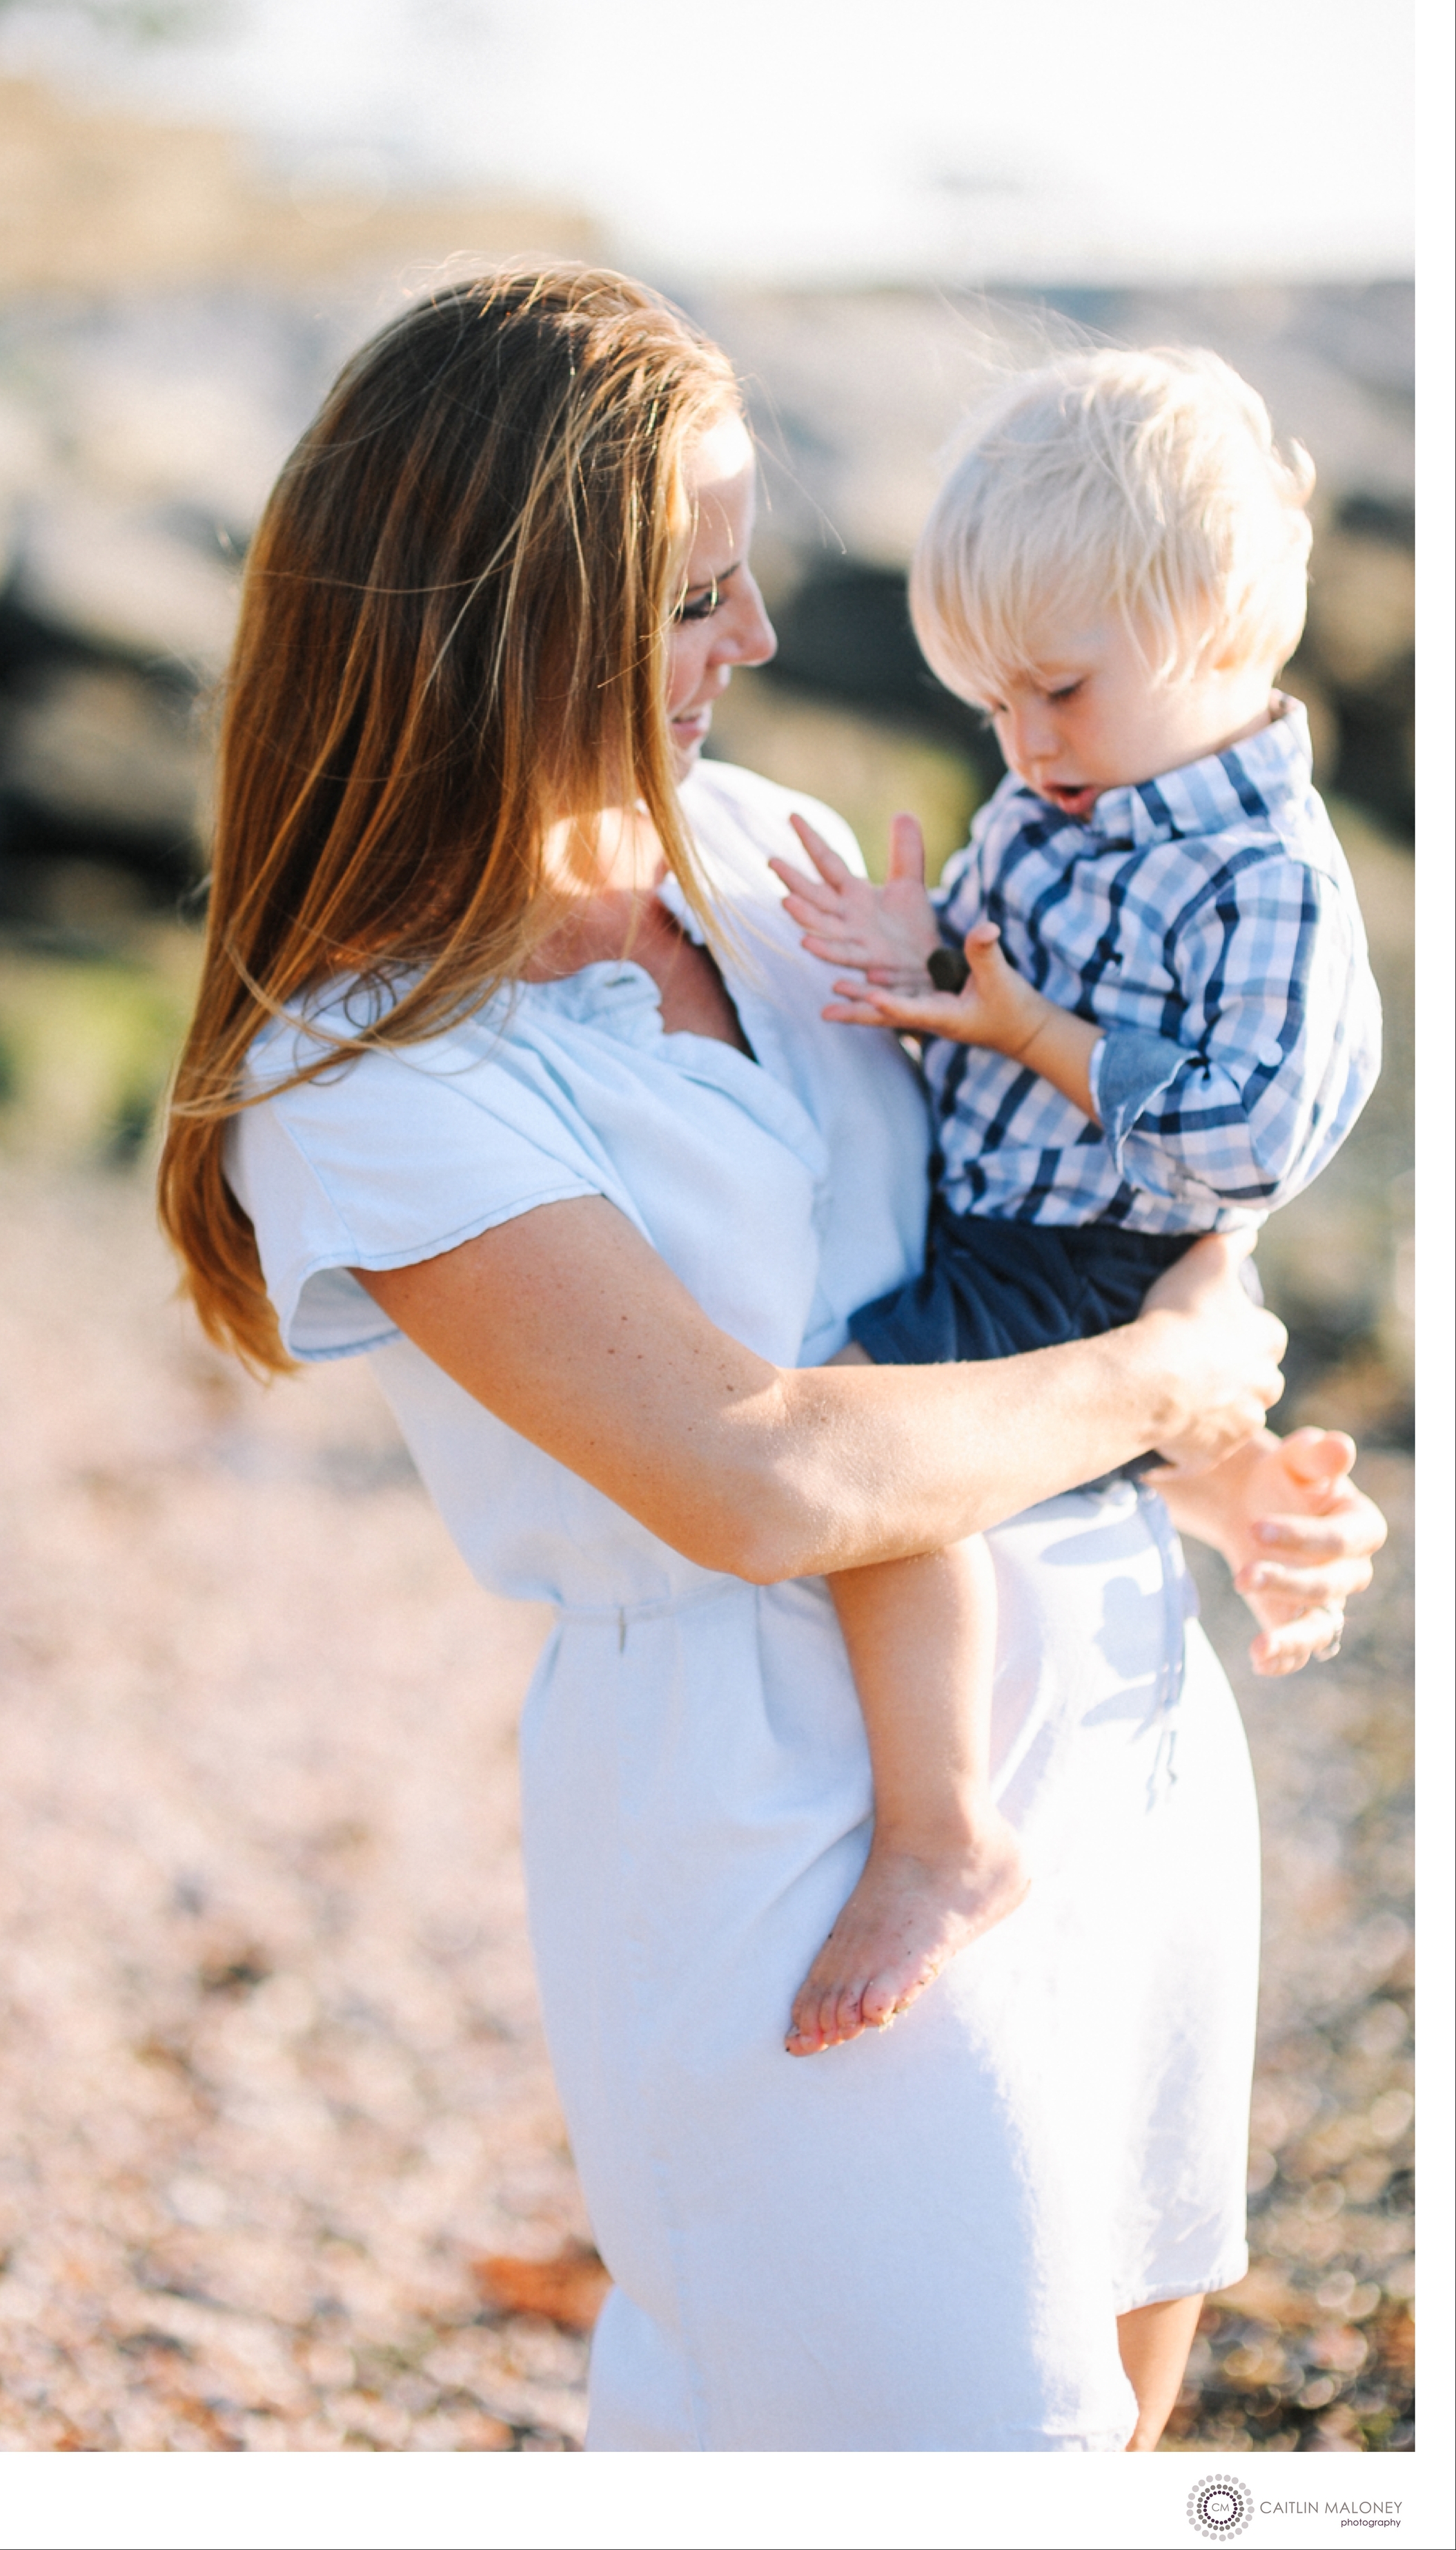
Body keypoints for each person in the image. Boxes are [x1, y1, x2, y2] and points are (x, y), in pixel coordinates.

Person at [157, 269, 1385, 2451]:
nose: (756, 642)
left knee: (1123, 2377)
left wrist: (1214, 1474)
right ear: (519, 621)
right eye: (698, 596)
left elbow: (985, 1248)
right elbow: (755, 1474)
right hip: (768, 1799)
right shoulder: (357, 1063)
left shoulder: (767, 852)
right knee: (926, 2434)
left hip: (1103, 1689)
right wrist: (1169, 1379)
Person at [768, 349, 1381, 2057]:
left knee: (891, 1442)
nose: (1023, 740)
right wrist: (920, 959)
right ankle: (1248, 1487)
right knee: (1013, 1415)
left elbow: (1246, 1142)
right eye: (990, 706)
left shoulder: (1260, 876)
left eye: (1054, 689)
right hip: (1006, 1214)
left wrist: (1032, 1029)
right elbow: (980, 949)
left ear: (1204, 616)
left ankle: (941, 1829)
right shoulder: (1055, 802)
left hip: (1099, 1248)